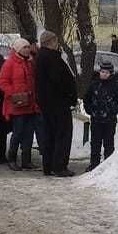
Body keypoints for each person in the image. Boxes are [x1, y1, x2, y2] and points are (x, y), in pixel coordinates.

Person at [35, 30, 79, 177]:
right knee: (62, 134)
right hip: (58, 103)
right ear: (50, 42)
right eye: (55, 41)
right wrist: (69, 95)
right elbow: (59, 81)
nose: (57, 43)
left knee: (50, 134)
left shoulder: (41, 57)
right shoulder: (51, 58)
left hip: (48, 103)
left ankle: (48, 165)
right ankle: (59, 166)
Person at [0, 38, 42, 171]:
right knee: (18, 133)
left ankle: (26, 160)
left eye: (28, 47)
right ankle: (12, 159)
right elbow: (2, 82)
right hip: (17, 104)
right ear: (18, 49)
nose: (28, 49)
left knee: (29, 133)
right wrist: (15, 93)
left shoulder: (30, 62)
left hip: (30, 104)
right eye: (25, 47)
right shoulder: (10, 63)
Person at [84, 61, 118, 171]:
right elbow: (87, 98)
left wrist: (113, 111)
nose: (104, 74)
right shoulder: (94, 85)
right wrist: (90, 110)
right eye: (102, 72)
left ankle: (108, 165)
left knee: (108, 143)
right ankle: (94, 164)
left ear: (111, 73)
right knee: (95, 143)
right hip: (96, 119)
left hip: (109, 120)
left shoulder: (115, 86)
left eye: (106, 72)